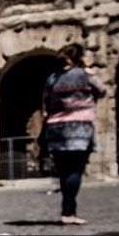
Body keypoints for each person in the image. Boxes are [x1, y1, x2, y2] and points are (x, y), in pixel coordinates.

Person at [42, 43, 106, 226]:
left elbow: (45, 102)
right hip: (79, 128)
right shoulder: (85, 75)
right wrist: (87, 69)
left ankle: (67, 210)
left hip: (55, 129)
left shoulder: (52, 78)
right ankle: (68, 212)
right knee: (75, 170)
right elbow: (102, 90)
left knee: (63, 172)